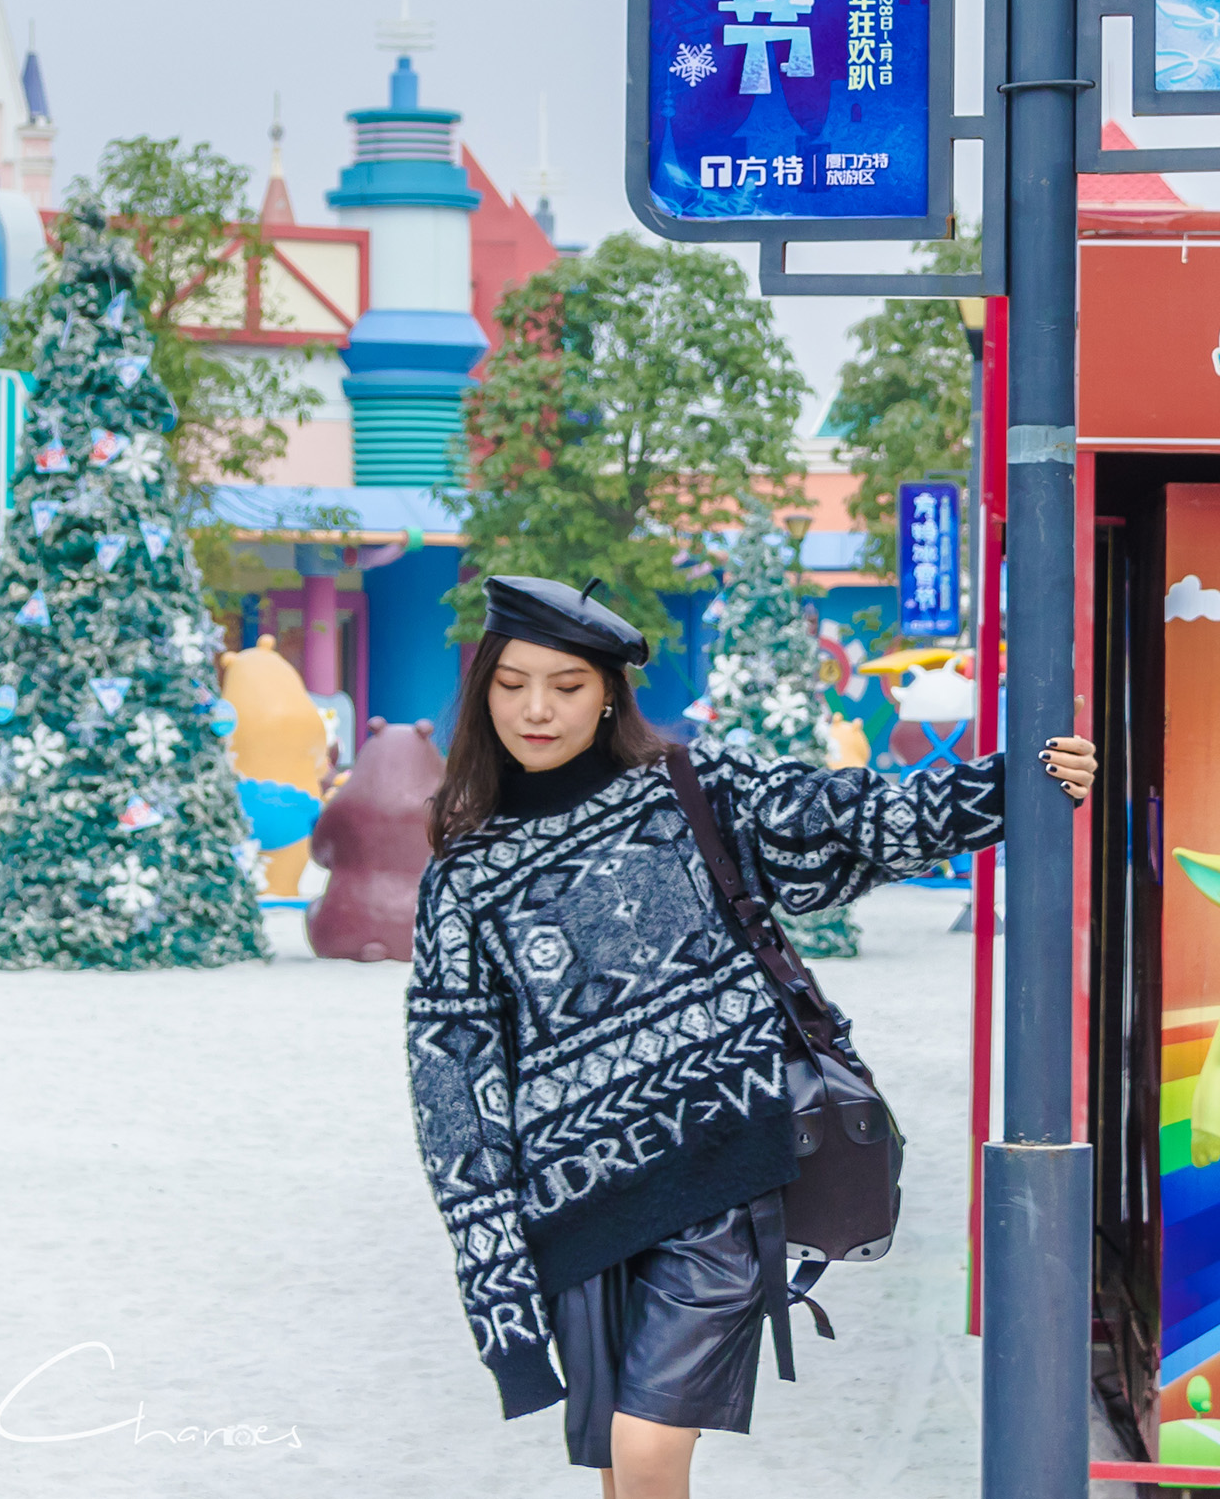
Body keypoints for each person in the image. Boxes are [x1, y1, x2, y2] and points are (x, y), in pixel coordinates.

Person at [406, 576, 1095, 1498]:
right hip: (573, 1204)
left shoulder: (689, 792)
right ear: (483, 690)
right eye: (512, 683)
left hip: (719, 1176)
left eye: (567, 685)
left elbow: (852, 820)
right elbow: (452, 1085)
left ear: (609, 691)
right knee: (617, 1459)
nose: (536, 709)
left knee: (648, 1449)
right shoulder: (466, 871)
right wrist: (495, 1275)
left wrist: (1025, 782)